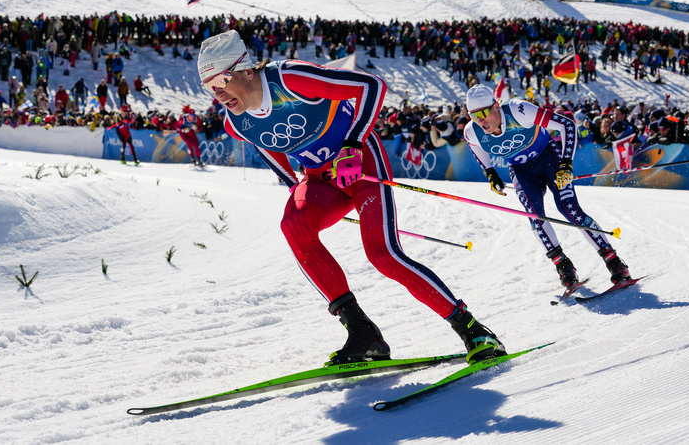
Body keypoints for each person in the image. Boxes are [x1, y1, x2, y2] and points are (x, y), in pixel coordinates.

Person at [197, 29, 505, 366]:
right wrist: (294, 186)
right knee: (294, 224)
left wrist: (353, 143)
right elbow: (268, 147)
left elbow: (371, 87)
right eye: (208, 88)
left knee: (383, 255)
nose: (217, 93)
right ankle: (362, 331)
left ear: (245, 68)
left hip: (361, 164)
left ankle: (472, 329)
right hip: (321, 179)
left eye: (221, 81)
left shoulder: (289, 78)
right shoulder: (236, 121)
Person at [461, 84, 631, 290]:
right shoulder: (472, 131)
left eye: (484, 112)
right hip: (522, 171)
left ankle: (613, 260)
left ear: (496, 106)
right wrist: (490, 172)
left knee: (569, 210)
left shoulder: (518, 110)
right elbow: (476, 148)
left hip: (549, 159)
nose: (480, 120)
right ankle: (564, 266)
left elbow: (566, 125)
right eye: (473, 115)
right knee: (536, 217)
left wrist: (567, 163)